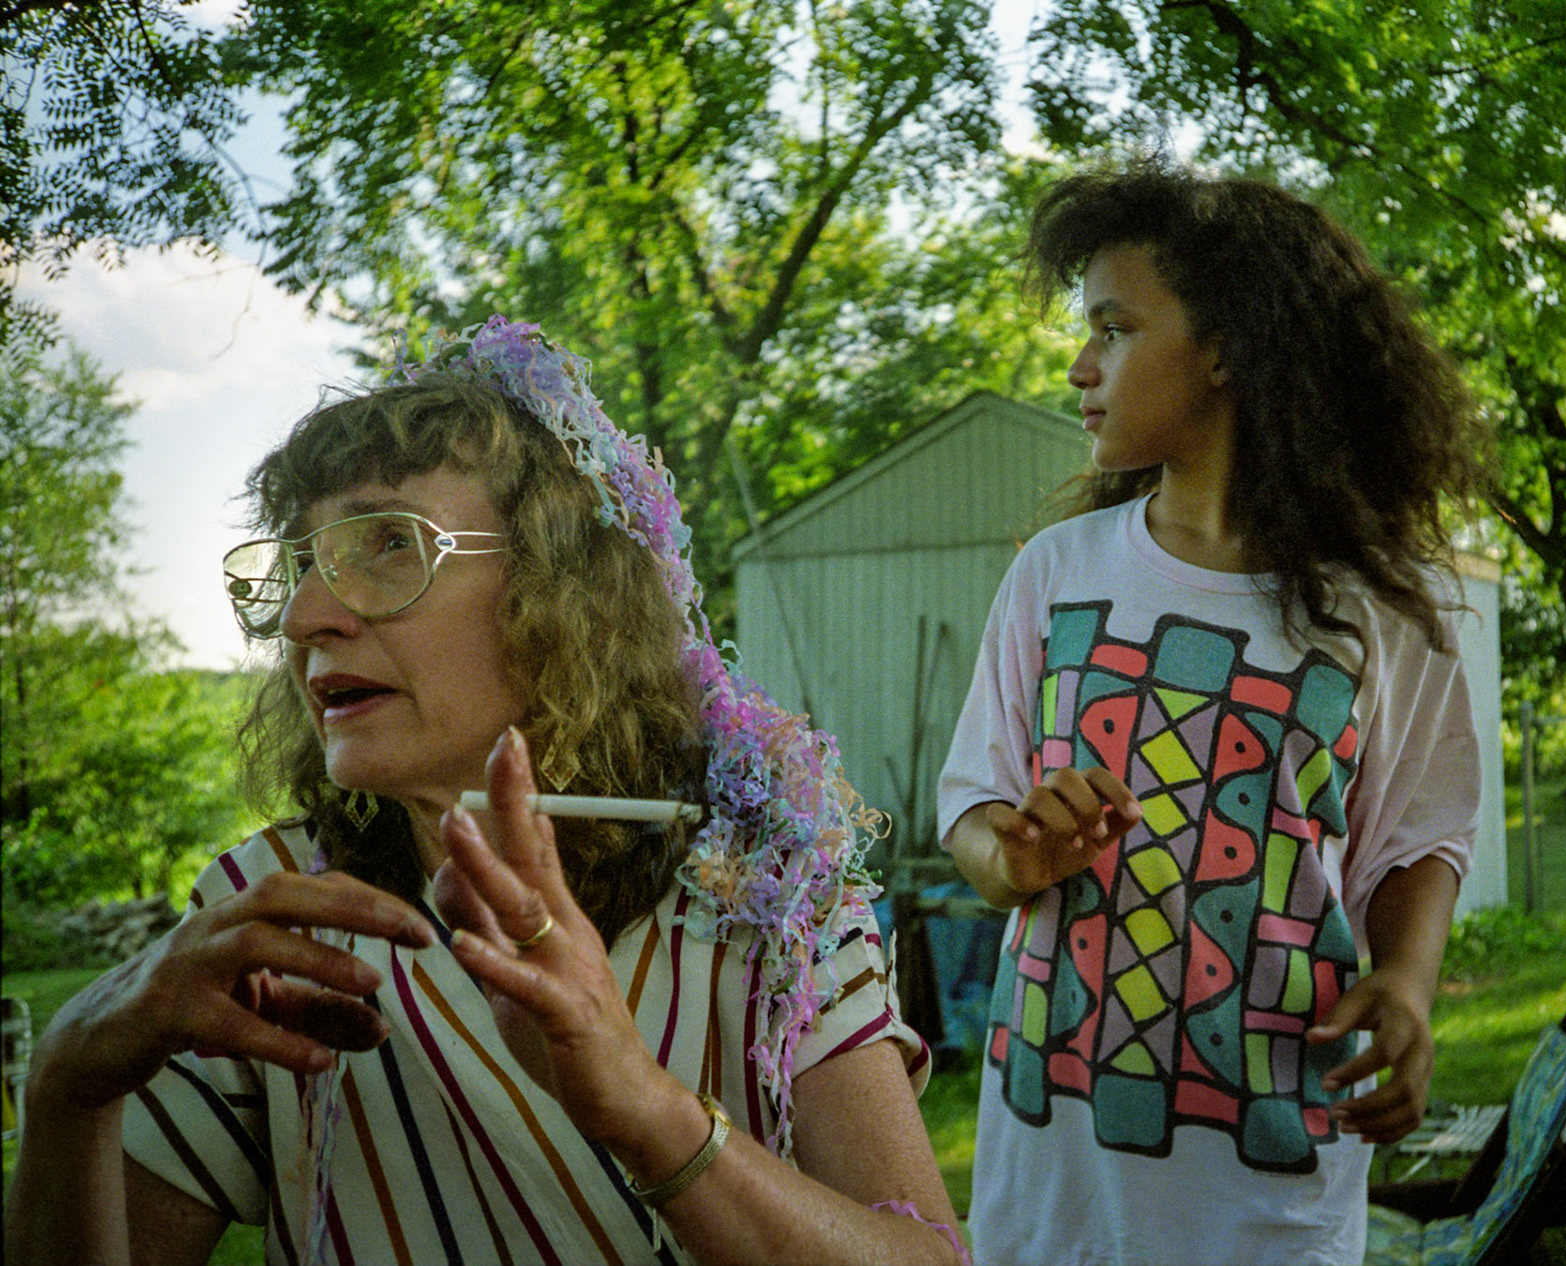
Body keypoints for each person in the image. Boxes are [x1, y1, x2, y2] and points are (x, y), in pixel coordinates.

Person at [4, 317, 968, 1266]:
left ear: (562, 592)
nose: (304, 616)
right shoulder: (271, 919)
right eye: (300, 563)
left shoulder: (767, 895)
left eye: (388, 544)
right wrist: (67, 1094)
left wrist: (644, 1108)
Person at [936, 158, 1491, 1265]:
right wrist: (1019, 857)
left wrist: (1410, 991)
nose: (1082, 364)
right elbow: (972, 816)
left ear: (1229, 345)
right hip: (1056, 1189)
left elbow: (1424, 836)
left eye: (1116, 328)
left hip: (1270, 1197)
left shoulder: (1385, 610)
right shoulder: (1056, 574)